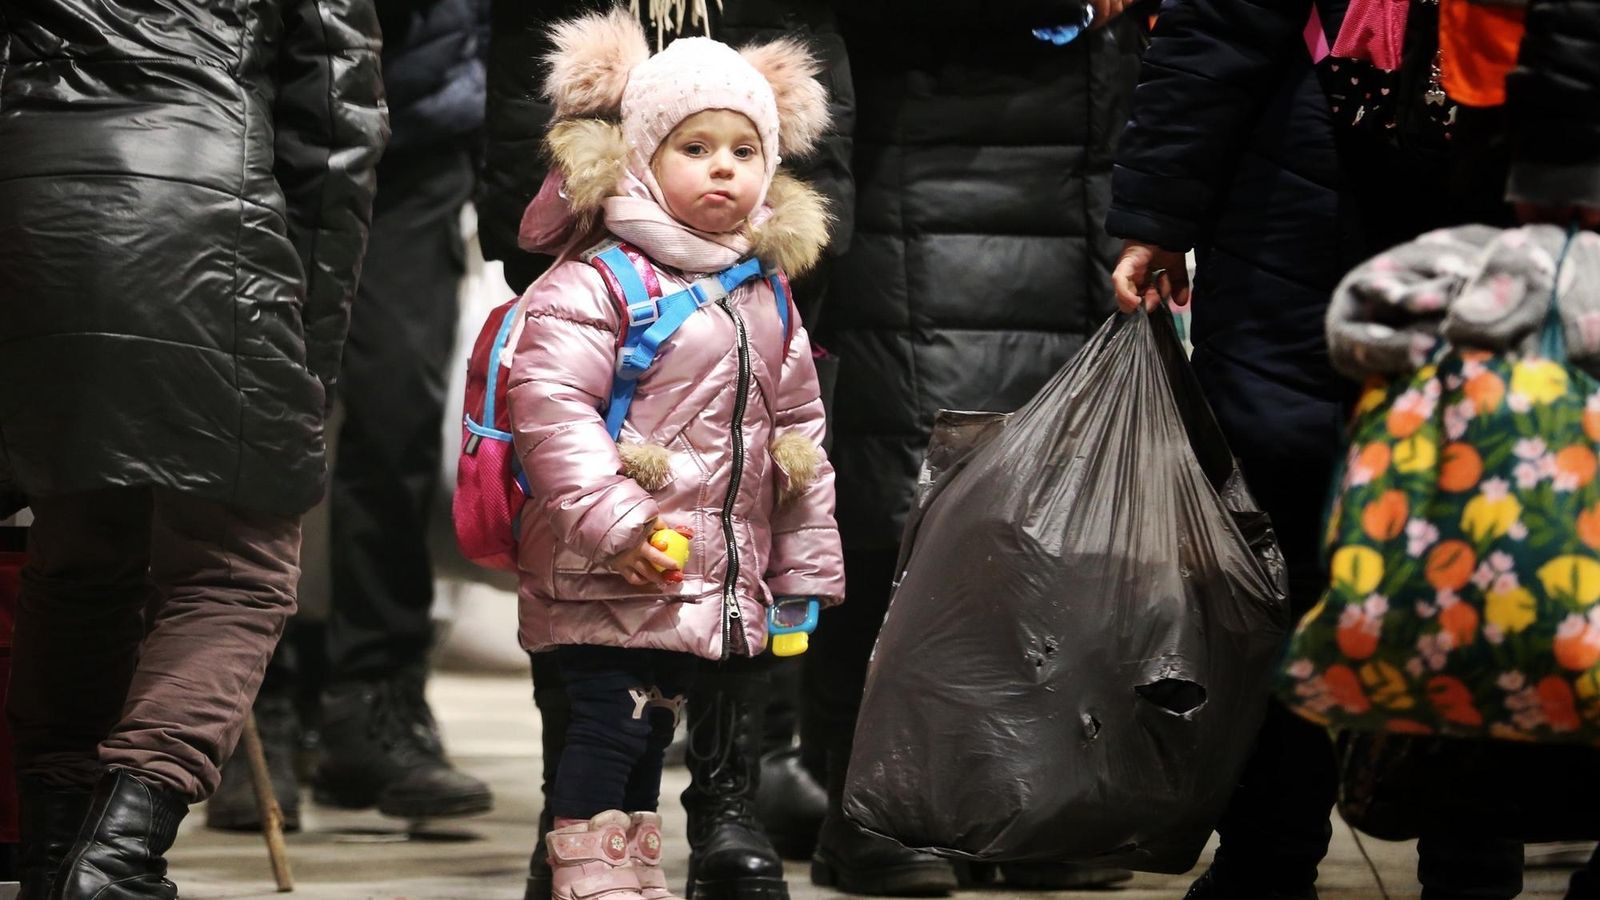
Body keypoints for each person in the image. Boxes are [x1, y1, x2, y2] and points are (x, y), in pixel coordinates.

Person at [1107, 0, 1599, 897]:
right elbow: (1219, 17)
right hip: (1298, 173)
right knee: (1270, 537)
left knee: (1492, 530)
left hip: (1508, 158)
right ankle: (1266, 848)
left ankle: (1475, 856)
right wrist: (1158, 207)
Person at [0, 0, 386, 895]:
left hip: (33, 209)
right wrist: (310, 354)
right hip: (208, 211)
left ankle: (59, 849)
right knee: (239, 564)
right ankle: (120, 853)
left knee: (78, 548)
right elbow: (336, 133)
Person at [476, 4, 854, 898]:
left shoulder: (762, 292)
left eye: (743, 150)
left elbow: (799, 439)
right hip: (610, 563)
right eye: (694, 148)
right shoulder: (596, 279)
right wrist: (618, 525)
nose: (722, 166)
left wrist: (802, 567)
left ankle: (628, 874)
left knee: (648, 736)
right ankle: (589, 879)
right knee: (607, 731)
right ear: (642, 157)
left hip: (710, 579)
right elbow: (552, 413)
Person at [799, 0, 1144, 893]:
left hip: (1079, 161)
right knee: (900, 499)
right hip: (920, 155)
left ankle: (1016, 806)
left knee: (1049, 514)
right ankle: (869, 802)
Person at [199, 0, 496, 834]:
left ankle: (378, 699)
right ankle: (260, 697)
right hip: (263, 115)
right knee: (262, 405)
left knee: (400, 415)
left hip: (417, 133)